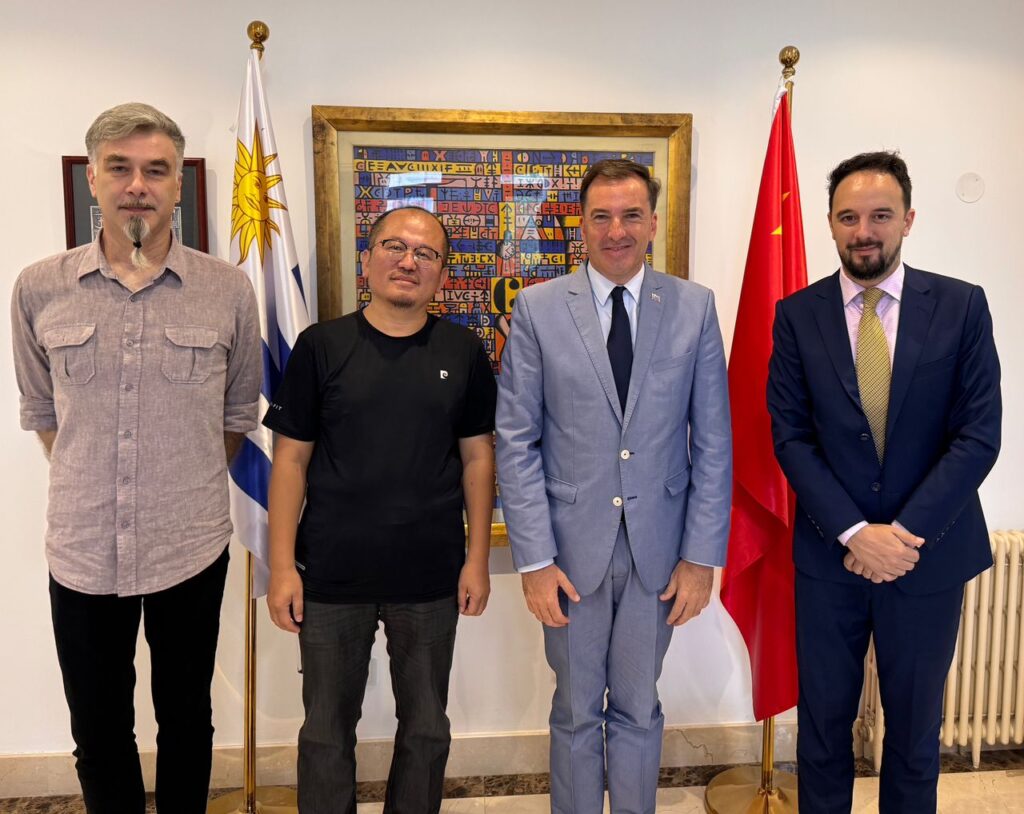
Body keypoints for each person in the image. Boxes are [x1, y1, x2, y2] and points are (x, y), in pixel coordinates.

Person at [10, 102, 262, 813]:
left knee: (187, 721)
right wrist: (96, 476)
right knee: (97, 727)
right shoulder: (38, 287)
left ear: (178, 184)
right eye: (119, 168)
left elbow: (237, 416)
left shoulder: (228, 290)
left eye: (156, 170)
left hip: (190, 542)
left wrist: (175, 478)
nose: (137, 185)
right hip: (83, 547)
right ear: (93, 178)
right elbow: (42, 413)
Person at [495, 158, 732, 813]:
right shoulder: (540, 310)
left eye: (631, 215)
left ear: (653, 222)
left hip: (659, 555)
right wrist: (535, 561)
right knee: (574, 710)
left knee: (637, 706)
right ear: (582, 224)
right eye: (601, 216)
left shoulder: (694, 308)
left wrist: (701, 557)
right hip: (570, 556)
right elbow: (516, 442)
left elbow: (713, 442)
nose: (616, 229)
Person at [767, 151, 1001, 813]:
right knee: (821, 733)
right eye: (848, 217)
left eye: (879, 215)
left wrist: (900, 535)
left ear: (908, 219)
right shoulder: (796, 314)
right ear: (831, 225)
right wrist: (852, 532)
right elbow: (790, 436)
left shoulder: (961, 307)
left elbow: (978, 435)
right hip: (828, 559)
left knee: (914, 738)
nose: (863, 229)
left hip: (927, 558)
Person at [263, 205, 496, 814]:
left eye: (426, 254)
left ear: (442, 274)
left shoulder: (463, 351)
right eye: (394, 246)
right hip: (332, 578)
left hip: (431, 578)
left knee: (425, 730)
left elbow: (478, 460)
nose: (408, 261)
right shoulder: (322, 347)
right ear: (367, 260)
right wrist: (282, 568)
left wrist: (478, 560)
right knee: (323, 734)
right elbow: (288, 462)